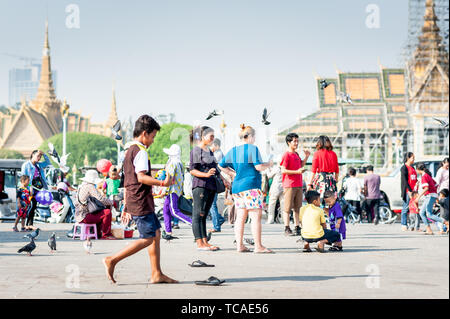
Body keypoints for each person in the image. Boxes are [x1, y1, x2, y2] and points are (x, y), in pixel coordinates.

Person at [103, 115, 177, 284]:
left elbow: (128, 180)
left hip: (136, 198)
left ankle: (156, 273)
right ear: (145, 133)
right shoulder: (141, 151)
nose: (153, 140)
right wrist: (162, 183)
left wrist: (127, 205)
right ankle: (112, 260)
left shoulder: (130, 150)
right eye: (152, 136)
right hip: (141, 200)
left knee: (156, 234)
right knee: (148, 238)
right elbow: (141, 177)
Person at [219, 124, 273, 253]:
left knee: (240, 217)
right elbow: (258, 167)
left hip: (237, 188)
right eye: (254, 137)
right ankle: (258, 246)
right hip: (251, 186)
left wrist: (232, 174)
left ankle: (240, 245)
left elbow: (221, 166)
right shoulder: (252, 149)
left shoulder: (233, 150)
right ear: (250, 136)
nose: (254, 139)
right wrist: (269, 164)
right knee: (255, 216)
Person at [190, 126, 227, 251]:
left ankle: (205, 241)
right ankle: (199, 243)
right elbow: (192, 170)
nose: (213, 138)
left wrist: (224, 179)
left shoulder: (209, 151)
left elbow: (216, 168)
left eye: (213, 135)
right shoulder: (196, 150)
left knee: (204, 215)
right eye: (210, 136)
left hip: (211, 186)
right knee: (198, 214)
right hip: (200, 185)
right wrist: (205, 174)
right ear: (202, 136)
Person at [280, 133, 310, 236]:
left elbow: (300, 165)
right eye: (294, 141)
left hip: (298, 184)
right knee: (287, 208)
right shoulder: (286, 155)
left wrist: (306, 157)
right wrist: (297, 172)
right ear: (289, 142)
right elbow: (283, 170)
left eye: (297, 141)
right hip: (289, 184)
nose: (296, 143)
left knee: (298, 207)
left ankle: (297, 227)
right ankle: (287, 228)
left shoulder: (296, 154)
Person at [75, 170, 115, 239]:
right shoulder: (90, 186)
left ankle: (98, 233)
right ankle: (106, 234)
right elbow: (101, 199)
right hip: (84, 216)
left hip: (79, 216)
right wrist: (112, 202)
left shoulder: (81, 186)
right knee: (107, 212)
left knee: (99, 213)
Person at [162, 144, 192, 236]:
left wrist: (164, 190)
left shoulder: (172, 164)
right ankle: (168, 231)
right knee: (166, 210)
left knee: (174, 211)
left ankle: (193, 223)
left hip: (172, 190)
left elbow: (169, 178)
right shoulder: (180, 163)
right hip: (177, 190)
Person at [21, 149, 52, 229]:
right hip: (28, 189)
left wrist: (44, 154)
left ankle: (30, 224)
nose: (39, 158)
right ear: (32, 155)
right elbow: (23, 179)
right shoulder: (26, 165)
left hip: (37, 188)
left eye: (40, 156)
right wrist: (29, 187)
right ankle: (25, 225)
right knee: (29, 206)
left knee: (34, 206)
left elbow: (48, 163)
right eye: (38, 156)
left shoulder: (39, 165)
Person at [416, 164, 449, 235]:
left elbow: (426, 188)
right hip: (431, 196)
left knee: (429, 214)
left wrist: (418, 197)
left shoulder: (424, 176)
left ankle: (446, 223)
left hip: (430, 196)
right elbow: (436, 185)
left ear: (418, 170)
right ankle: (429, 229)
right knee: (422, 212)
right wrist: (434, 193)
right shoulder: (427, 175)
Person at [308, 135, 339, 203]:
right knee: (331, 201)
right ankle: (331, 213)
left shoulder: (317, 153)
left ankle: (322, 213)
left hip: (321, 179)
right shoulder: (333, 154)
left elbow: (313, 170)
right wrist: (336, 180)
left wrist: (309, 184)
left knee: (320, 200)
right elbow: (337, 170)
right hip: (331, 179)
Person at [208, 138, 226, 233]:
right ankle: (220, 220)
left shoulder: (217, 154)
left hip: (213, 181)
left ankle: (216, 226)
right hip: (215, 181)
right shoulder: (218, 154)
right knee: (211, 204)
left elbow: (217, 168)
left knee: (212, 205)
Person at [400, 152, 417, 231]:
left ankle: (412, 225)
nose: (414, 159)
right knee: (405, 208)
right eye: (412, 158)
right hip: (408, 191)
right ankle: (404, 224)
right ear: (408, 158)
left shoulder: (413, 168)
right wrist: (409, 190)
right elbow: (404, 181)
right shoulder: (404, 168)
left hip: (414, 191)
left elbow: (414, 179)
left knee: (413, 209)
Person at [265, 155, 284, 224]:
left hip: (275, 188)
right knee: (283, 204)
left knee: (272, 204)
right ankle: (283, 219)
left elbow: (269, 176)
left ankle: (270, 219)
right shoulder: (285, 168)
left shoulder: (277, 168)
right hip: (283, 188)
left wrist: (267, 169)